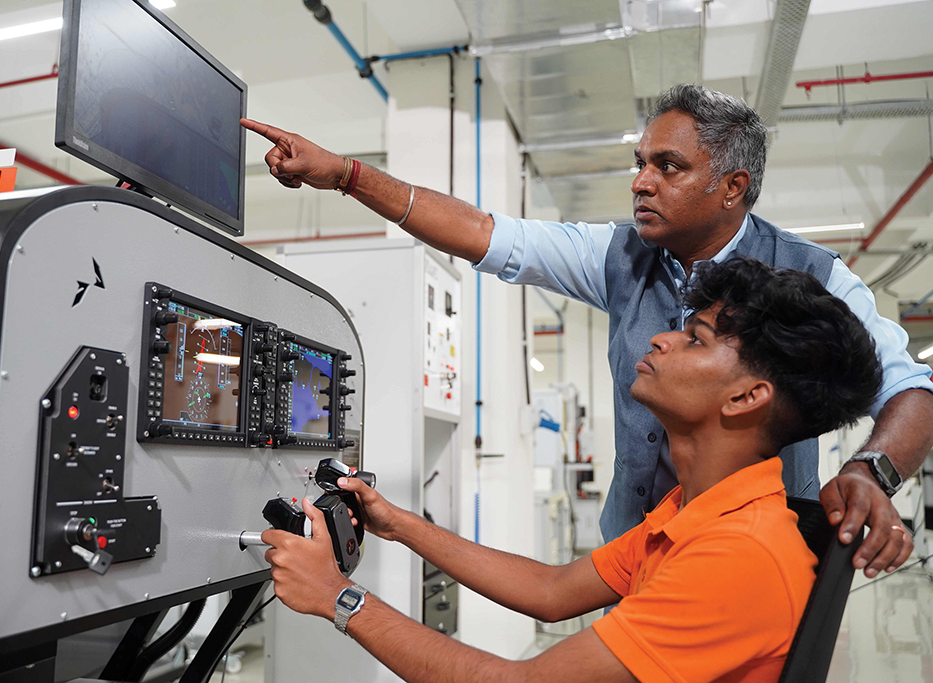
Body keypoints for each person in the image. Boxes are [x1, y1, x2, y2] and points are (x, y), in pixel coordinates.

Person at [243, 83, 932, 576]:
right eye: (640, 162)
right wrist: (348, 175)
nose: (640, 182)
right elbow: (485, 233)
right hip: (638, 549)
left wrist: (870, 470)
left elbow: (911, 391)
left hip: (743, 557)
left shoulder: (813, 276)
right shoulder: (621, 255)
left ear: (732, 186)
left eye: (668, 166)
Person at [263, 257, 885, 683]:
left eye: (694, 339)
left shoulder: (740, 554)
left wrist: (336, 598)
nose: (663, 341)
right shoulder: (698, 512)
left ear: (747, 398)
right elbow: (552, 593)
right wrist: (401, 525)